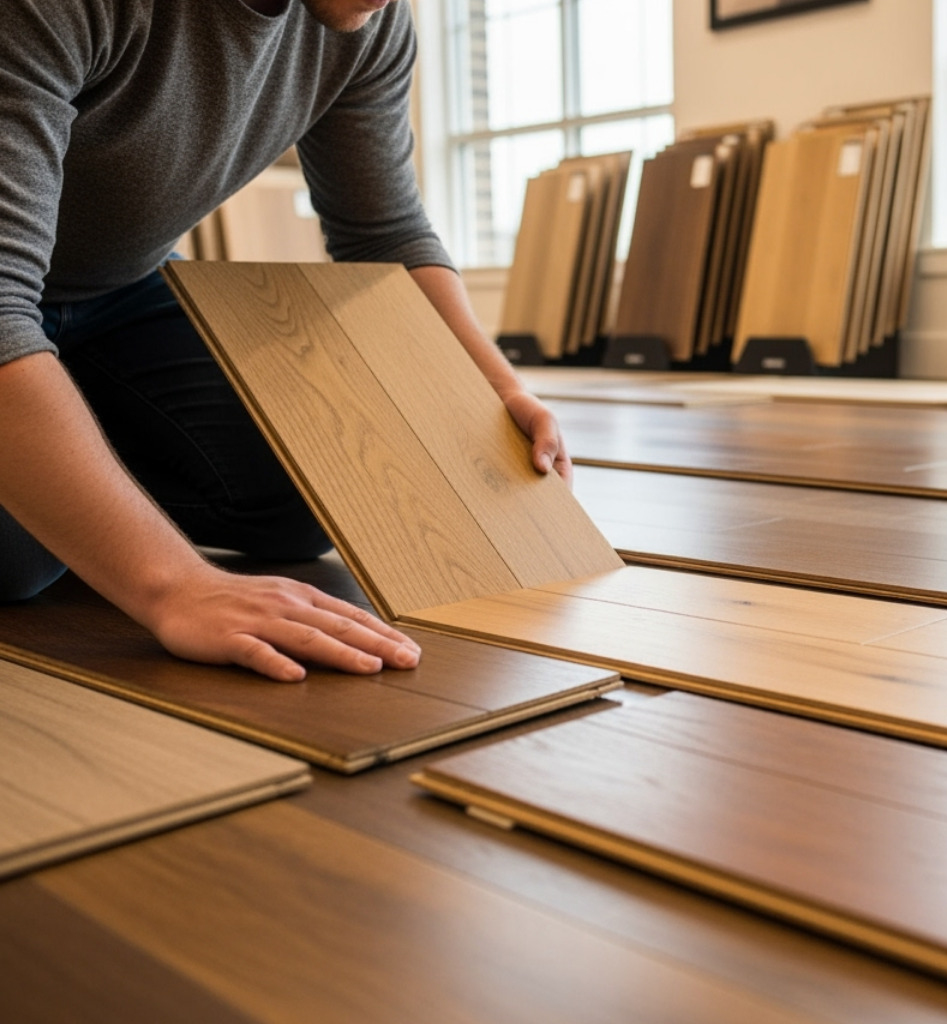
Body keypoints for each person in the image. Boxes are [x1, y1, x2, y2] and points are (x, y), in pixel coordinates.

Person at [0, 0, 569, 682]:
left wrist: (498, 388)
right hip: (11, 293)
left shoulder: (368, 21)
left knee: (306, 492)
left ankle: (56, 447)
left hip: (117, 289)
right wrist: (174, 584)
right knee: (17, 561)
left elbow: (384, 234)